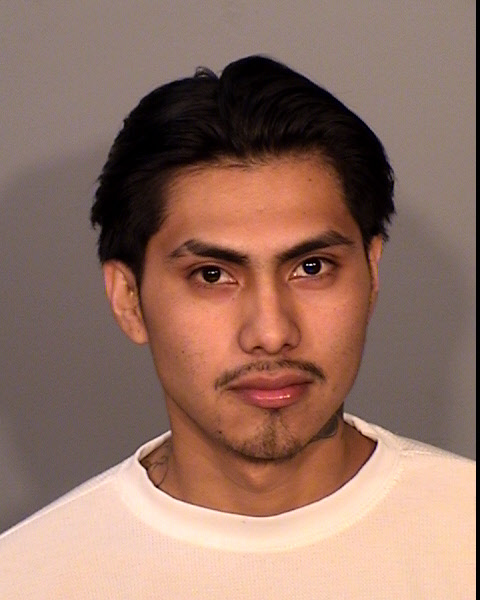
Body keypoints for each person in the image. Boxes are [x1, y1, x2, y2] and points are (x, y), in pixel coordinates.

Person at [0, 55, 474, 599]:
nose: (271, 333)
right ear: (129, 299)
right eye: (212, 275)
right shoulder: (27, 578)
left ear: (371, 273)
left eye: (311, 267)